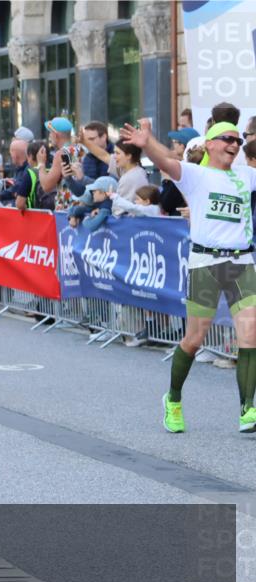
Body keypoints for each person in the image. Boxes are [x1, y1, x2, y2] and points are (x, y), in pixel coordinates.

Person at [121, 119, 256, 433]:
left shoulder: (246, 175)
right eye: (226, 139)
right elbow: (166, 161)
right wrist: (147, 142)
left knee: (250, 336)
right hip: (206, 264)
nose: (234, 145)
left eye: (237, 141)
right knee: (194, 339)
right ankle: (173, 398)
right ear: (209, 143)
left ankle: (248, 408)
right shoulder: (197, 175)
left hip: (241, 263)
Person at [38, 117, 88, 211]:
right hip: (84, 204)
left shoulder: (61, 153)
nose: (49, 136)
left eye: (50, 133)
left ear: (56, 135)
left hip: (67, 209)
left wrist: (41, 164)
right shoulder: (83, 149)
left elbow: (46, 186)